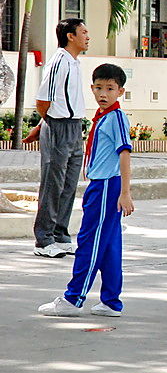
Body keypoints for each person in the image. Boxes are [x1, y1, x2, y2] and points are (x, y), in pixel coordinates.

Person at [38, 63, 134, 316]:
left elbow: (125, 153)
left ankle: (73, 297)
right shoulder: (103, 117)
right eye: (99, 88)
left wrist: (125, 192)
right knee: (110, 244)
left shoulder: (116, 117)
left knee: (89, 242)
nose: (103, 93)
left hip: (106, 187)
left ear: (120, 91)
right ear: (91, 88)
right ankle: (111, 300)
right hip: (100, 185)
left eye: (110, 89)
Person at [28, 18, 89, 258]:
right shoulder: (59, 62)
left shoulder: (75, 63)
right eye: (83, 32)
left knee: (69, 183)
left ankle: (60, 235)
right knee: (53, 184)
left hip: (75, 127)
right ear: (70, 36)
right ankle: (43, 240)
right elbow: (44, 100)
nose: (88, 36)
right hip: (59, 126)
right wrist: (49, 123)